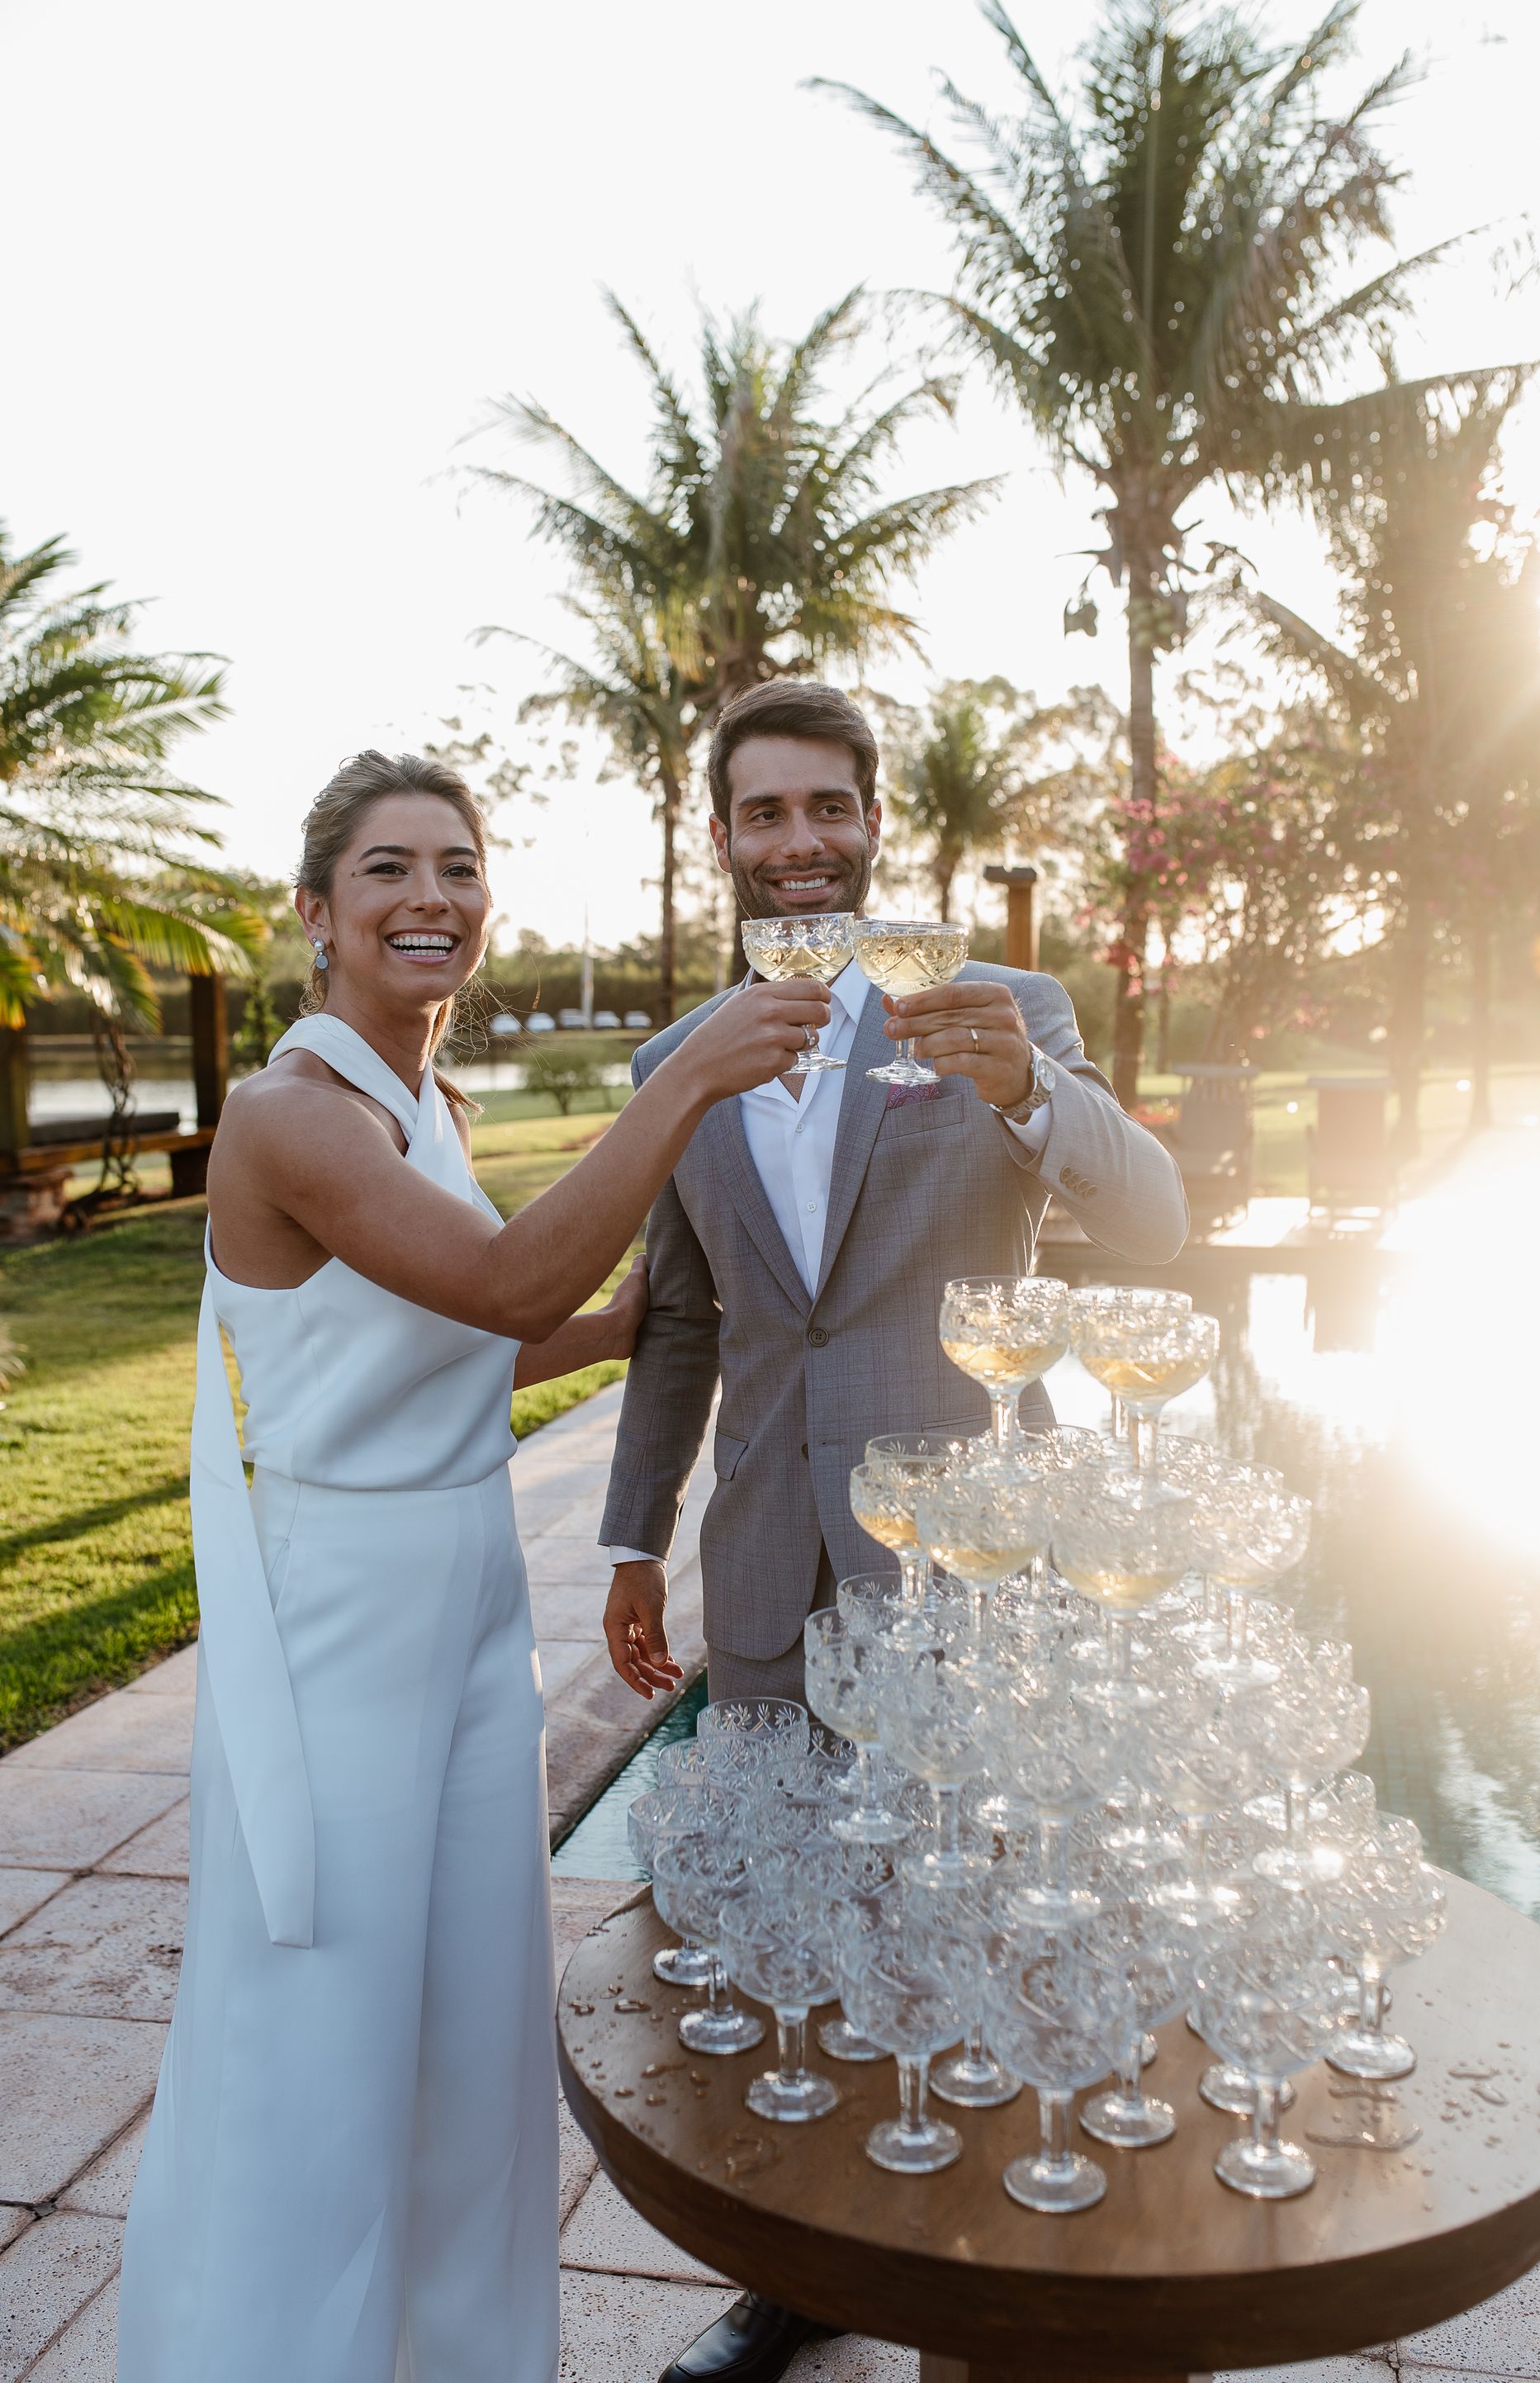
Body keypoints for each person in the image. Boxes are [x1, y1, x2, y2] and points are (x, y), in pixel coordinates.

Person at [116, 749, 832, 2383]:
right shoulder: (289, 1115)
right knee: (325, 2032)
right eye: (385, 870)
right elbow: (508, 1285)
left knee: (463, 2027)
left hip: (462, 1605)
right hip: (339, 1614)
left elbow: (457, 1349)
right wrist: (690, 1076)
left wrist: (647, 1322)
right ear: (317, 913)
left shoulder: (425, 1105)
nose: (429, 896)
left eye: (456, 865)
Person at [597, 681, 1188, 2383]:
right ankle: (804, 2282)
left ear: (873, 823)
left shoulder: (1000, 1011)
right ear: (724, 840)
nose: (798, 845)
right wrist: (635, 1532)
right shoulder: (673, 1067)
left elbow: (1149, 1226)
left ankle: (981, 2284)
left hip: (976, 1565)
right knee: (800, 1935)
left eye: (825, 810)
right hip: (771, 1553)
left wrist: (1024, 1102)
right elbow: (687, 1323)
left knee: (979, 1920)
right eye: (763, 816)